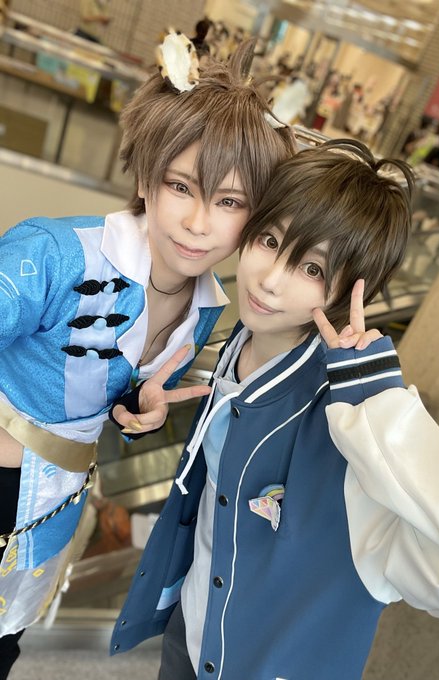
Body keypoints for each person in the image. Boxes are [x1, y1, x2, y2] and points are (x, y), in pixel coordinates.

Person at [111, 139, 439, 679]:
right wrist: (144, 415)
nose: (271, 280)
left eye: (313, 270)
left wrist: (375, 403)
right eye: (270, 241)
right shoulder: (238, 346)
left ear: (351, 291)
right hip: (193, 632)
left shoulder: (349, 426)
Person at [0, 34, 295, 679]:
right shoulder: (53, 254)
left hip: (52, 507)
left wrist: (139, 409)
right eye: (181, 186)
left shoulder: (207, 307)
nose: (199, 222)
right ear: (145, 178)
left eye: (229, 202)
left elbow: (115, 394)